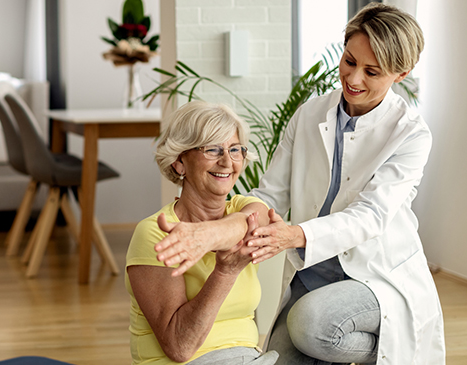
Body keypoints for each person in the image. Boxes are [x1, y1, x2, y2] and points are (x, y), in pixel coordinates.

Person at [151, 3, 445, 364]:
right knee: (284, 352)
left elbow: (370, 216)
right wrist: (205, 234)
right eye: (349, 61)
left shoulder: (411, 134)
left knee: (310, 325)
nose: (353, 79)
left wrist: (294, 235)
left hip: (376, 277)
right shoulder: (309, 114)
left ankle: (388, 348)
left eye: (372, 71)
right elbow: (268, 196)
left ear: (401, 74)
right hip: (312, 274)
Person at [126, 101, 278, 365]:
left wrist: (205, 236)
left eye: (235, 150)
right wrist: (225, 272)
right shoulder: (155, 233)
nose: (227, 162)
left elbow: (260, 216)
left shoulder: (243, 209)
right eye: (212, 150)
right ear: (179, 162)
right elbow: (179, 347)